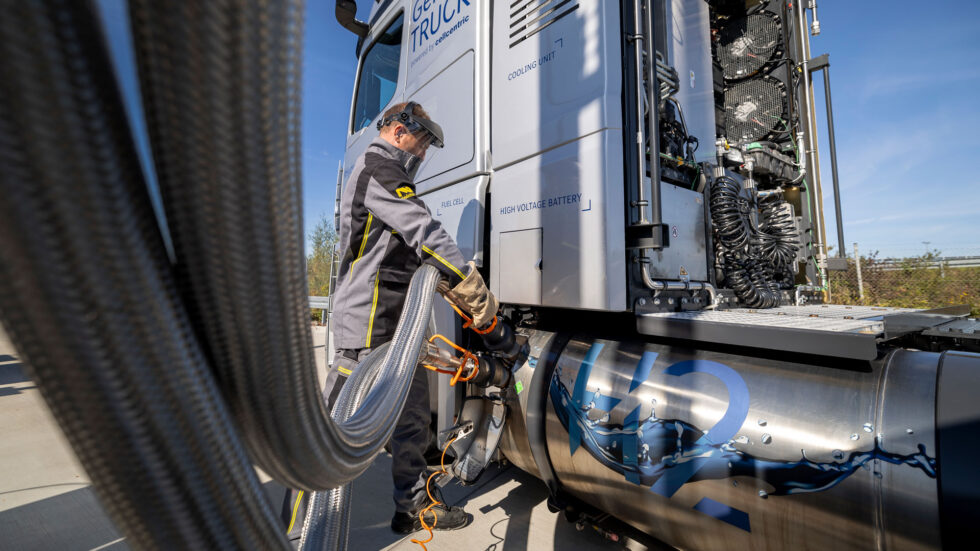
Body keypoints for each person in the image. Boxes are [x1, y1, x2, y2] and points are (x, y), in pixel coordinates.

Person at [327, 101, 498, 534]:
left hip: (400, 328)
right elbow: (424, 230)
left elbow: (407, 249)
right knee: (331, 434)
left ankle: (415, 506)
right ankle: (293, 532)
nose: (422, 154)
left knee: (414, 423)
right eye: (421, 143)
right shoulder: (377, 168)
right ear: (399, 130)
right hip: (367, 326)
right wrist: (472, 287)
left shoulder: (391, 173)